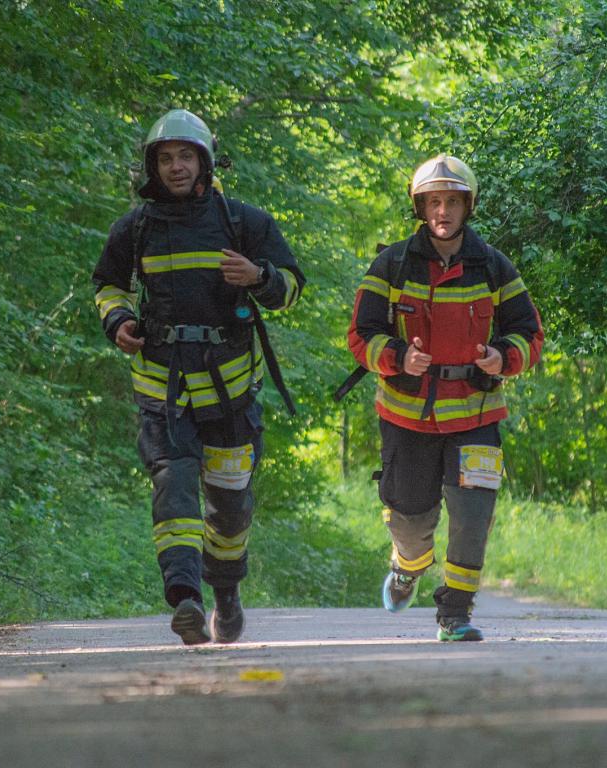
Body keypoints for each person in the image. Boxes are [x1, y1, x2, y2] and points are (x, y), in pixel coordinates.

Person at [92, 109, 304, 645]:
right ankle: (185, 597)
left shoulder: (244, 222)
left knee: (230, 507)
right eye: (166, 158)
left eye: (186, 156)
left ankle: (225, 592)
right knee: (174, 484)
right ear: (153, 167)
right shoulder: (134, 228)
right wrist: (118, 321)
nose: (176, 167)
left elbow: (292, 286)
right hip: (162, 389)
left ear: (205, 162)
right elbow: (108, 286)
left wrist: (259, 276)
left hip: (231, 392)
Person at [346, 154, 543, 641]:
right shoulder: (391, 264)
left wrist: (503, 357)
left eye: (452, 202)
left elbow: (529, 333)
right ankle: (407, 565)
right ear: (420, 206)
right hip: (406, 416)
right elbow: (360, 334)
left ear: (467, 206)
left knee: (473, 517)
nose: (442, 211)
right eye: (434, 201)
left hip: (476, 414)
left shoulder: (493, 266)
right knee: (410, 523)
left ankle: (455, 613)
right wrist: (397, 357)